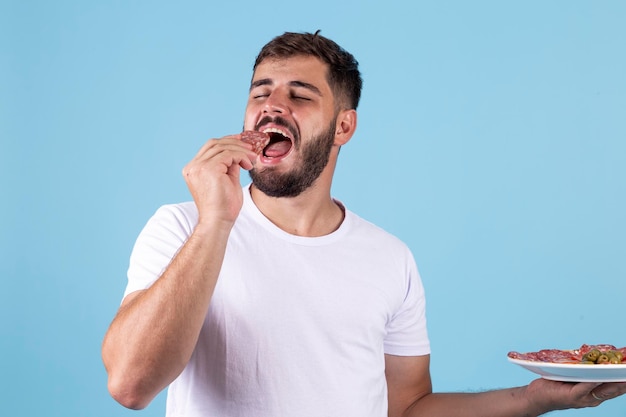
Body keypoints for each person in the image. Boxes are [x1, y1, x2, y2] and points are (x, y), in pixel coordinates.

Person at [101, 31, 626, 417]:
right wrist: (216, 220)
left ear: (343, 127)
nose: (271, 107)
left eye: (300, 96)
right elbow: (130, 384)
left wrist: (533, 399)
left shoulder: (390, 258)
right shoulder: (181, 228)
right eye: (260, 93)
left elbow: (408, 407)